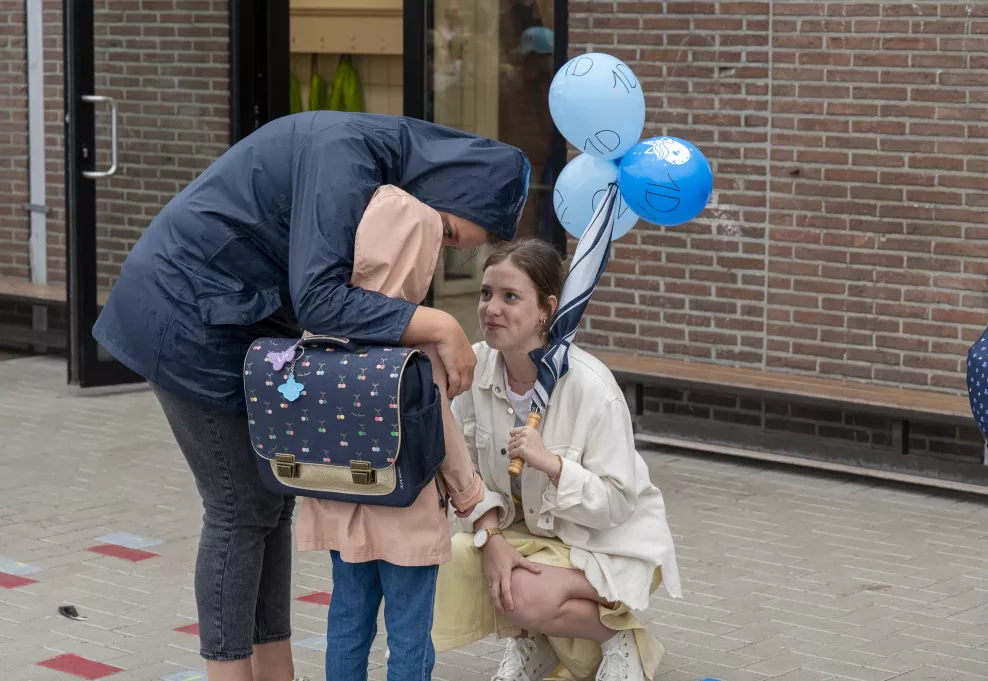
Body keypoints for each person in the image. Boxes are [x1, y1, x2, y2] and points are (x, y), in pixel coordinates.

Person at [91, 111, 530, 681]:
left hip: (232, 319)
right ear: (443, 189)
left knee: (268, 503)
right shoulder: (344, 154)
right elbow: (321, 299)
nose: (434, 250)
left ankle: (276, 670)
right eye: (444, 233)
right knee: (237, 509)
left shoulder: (371, 161)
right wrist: (439, 326)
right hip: (183, 315)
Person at [431, 239, 682, 681]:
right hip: (523, 532)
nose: (491, 307)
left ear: (547, 309)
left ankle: (619, 640)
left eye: (511, 297)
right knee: (450, 559)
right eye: (486, 293)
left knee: (523, 593)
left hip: (602, 542)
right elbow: (461, 469)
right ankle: (535, 644)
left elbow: (618, 503)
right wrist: (490, 539)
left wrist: (553, 465)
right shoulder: (474, 368)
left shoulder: (591, 388)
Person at [298, 185, 487, 681]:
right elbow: (443, 435)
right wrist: (471, 497)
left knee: (346, 623)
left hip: (342, 507)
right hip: (407, 512)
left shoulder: (319, 339)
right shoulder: (416, 352)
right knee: (408, 634)